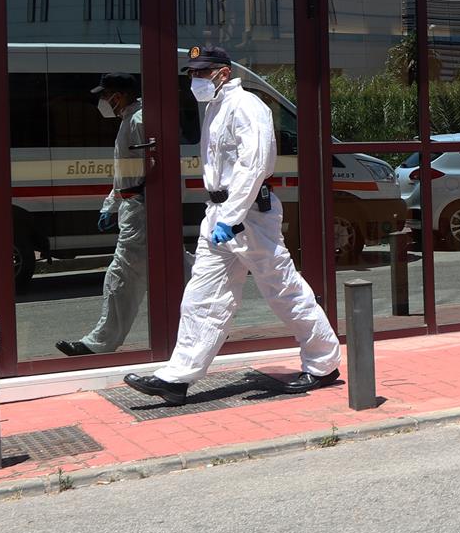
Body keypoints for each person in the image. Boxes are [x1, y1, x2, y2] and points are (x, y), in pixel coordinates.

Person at [123, 47, 341, 403]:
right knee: (201, 297)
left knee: (282, 290)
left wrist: (230, 217)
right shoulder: (215, 108)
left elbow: (253, 166)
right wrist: (220, 216)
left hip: (248, 216)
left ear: (222, 72)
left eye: (201, 73)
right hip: (220, 214)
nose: (195, 80)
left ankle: (323, 363)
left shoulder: (248, 107)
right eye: (192, 73)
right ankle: (177, 378)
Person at [57, 73, 149, 357]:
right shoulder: (129, 121)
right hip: (134, 207)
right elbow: (124, 175)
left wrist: (132, 202)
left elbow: (147, 170)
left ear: (118, 96)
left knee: (120, 275)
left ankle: (97, 344)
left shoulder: (138, 121)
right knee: (178, 271)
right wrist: (111, 205)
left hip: (140, 211)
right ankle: (213, 326)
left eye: (105, 95)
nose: (102, 101)